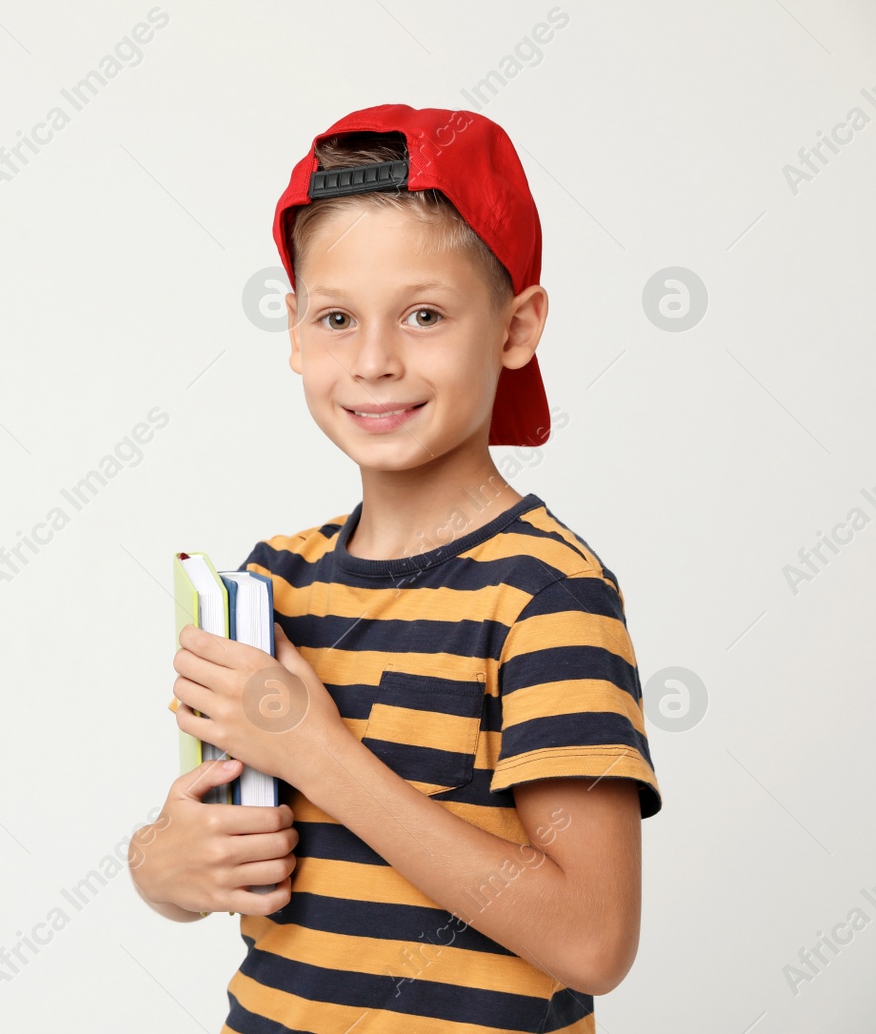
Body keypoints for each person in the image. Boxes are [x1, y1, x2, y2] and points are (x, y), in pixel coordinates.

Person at [129, 103, 662, 1033]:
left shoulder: (546, 595)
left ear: (515, 327)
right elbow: (217, 845)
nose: (374, 361)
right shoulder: (269, 585)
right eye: (336, 317)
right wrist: (162, 868)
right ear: (294, 332)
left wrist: (318, 752)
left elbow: (592, 939)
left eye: (423, 314)